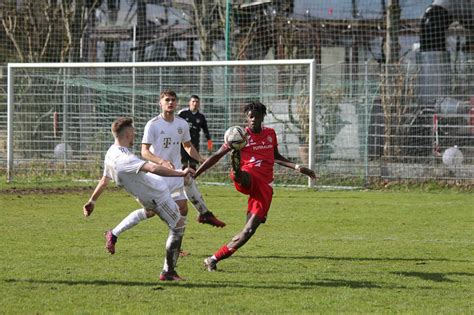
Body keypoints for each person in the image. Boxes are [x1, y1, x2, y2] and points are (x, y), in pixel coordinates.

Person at [194, 101, 316, 272]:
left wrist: (297, 167)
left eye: (256, 117)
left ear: (262, 118)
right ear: (246, 118)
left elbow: (275, 156)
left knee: (248, 230)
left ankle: (213, 259)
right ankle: (236, 169)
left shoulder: (270, 134)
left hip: (264, 187)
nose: (252, 120)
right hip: (248, 178)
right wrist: (196, 174)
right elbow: (216, 156)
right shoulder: (240, 136)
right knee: (242, 175)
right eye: (250, 117)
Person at [82, 117, 194, 281]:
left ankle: (113, 234)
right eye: (133, 132)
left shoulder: (111, 153)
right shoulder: (126, 159)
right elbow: (154, 168)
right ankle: (168, 271)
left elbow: (105, 179)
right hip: (157, 196)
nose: (135, 135)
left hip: (146, 195)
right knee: (178, 227)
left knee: (151, 213)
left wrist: (92, 201)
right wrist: (181, 173)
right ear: (127, 134)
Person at [140, 89, 225, 228]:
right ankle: (114, 233)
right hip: (158, 175)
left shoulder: (182, 123)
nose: (170, 102)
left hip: (175, 173)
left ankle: (203, 215)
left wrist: (201, 159)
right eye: (167, 100)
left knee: (184, 205)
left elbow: (187, 146)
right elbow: (144, 152)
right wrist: (161, 161)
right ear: (160, 103)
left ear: (177, 103)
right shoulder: (153, 124)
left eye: (173, 100)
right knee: (150, 213)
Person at [178, 95, 213, 170]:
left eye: (197, 102)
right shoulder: (182, 114)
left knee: (193, 165)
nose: (195, 103)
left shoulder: (201, 117)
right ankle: (181, 181)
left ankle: (192, 181)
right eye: (193, 101)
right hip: (182, 144)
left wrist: (210, 146)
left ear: (199, 103)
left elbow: (206, 132)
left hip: (194, 144)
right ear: (189, 103)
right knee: (182, 165)